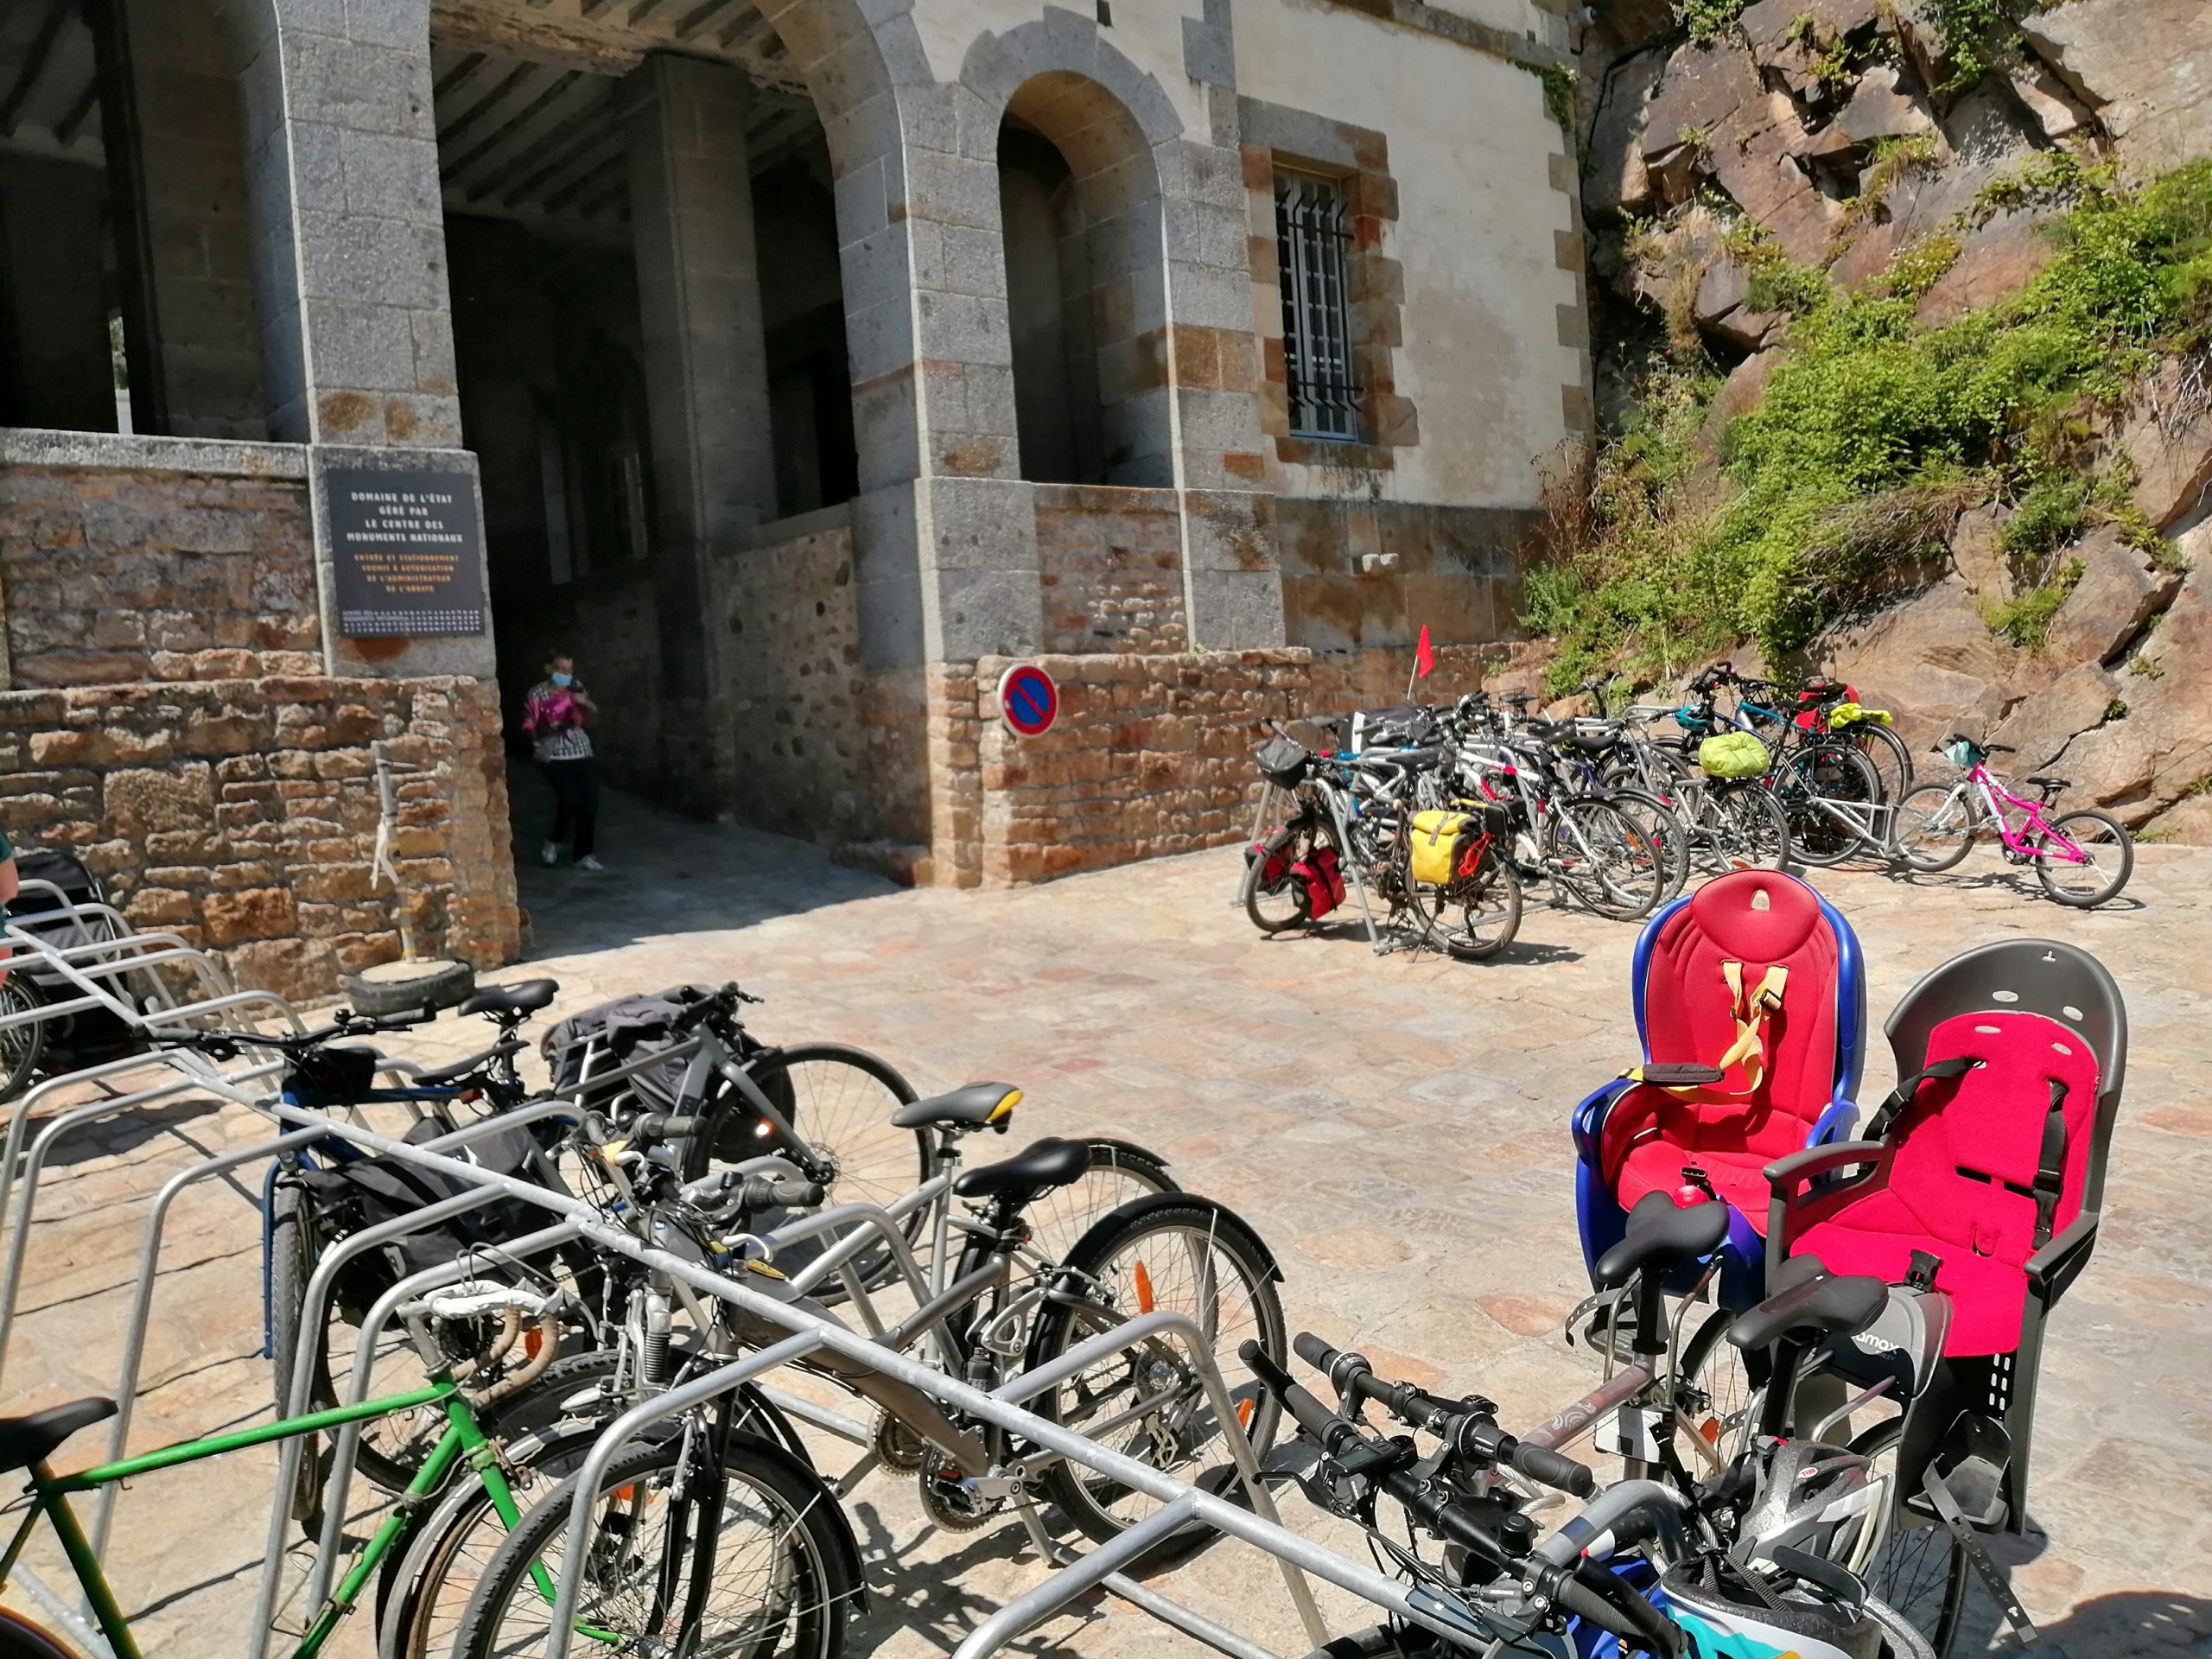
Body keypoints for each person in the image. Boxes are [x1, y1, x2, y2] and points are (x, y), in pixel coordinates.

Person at [523, 653, 604, 871]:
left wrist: (584, 704)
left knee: (589, 804)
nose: (565, 675)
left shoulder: (576, 688)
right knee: (569, 801)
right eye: (560, 669)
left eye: (569, 670)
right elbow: (532, 723)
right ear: (549, 669)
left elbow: (592, 721)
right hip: (555, 755)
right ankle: (554, 841)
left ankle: (584, 854)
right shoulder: (537, 693)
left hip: (582, 752)